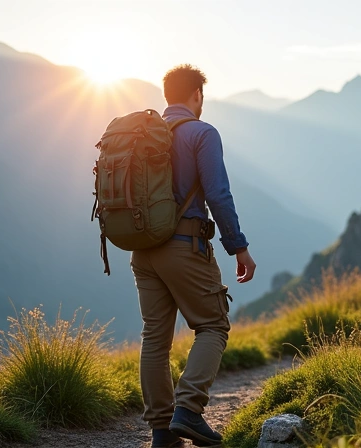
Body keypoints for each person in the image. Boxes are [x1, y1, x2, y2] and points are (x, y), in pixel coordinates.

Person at [130, 64, 256, 448]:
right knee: (213, 326)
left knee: (155, 338)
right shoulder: (202, 133)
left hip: (142, 250)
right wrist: (239, 247)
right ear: (196, 95)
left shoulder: (140, 136)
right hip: (184, 246)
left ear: (167, 94)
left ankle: (162, 432)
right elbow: (217, 194)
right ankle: (188, 409)